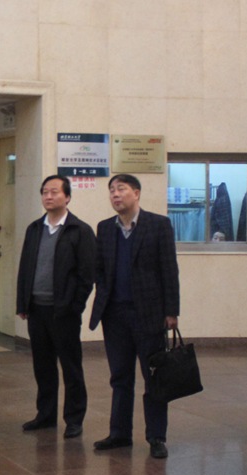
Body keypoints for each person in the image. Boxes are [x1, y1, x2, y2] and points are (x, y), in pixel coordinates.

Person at [89, 174, 180, 459]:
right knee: (120, 377)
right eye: (111, 191)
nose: (115, 195)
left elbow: (169, 269)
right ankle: (119, 434)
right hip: (114, 314)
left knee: (153, 378)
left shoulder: (158, 225)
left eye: (121, 189)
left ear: (136, 193)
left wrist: (171, 311)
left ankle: (156, 437)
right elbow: (100, 269)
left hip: (149, 314)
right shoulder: (105, 228)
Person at [16, 175, 96, 439]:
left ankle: (74, 419)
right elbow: (25, 267)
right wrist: (22, 302)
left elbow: (87, 274)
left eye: (54, 192)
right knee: (43, 366)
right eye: (44, 192)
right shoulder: (34, 229)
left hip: (64, 311)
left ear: (67, 197)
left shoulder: (79, 230)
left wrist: (75, 306)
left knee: (71, 367)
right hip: (36, 309)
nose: (48, 196)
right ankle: (45, 415)